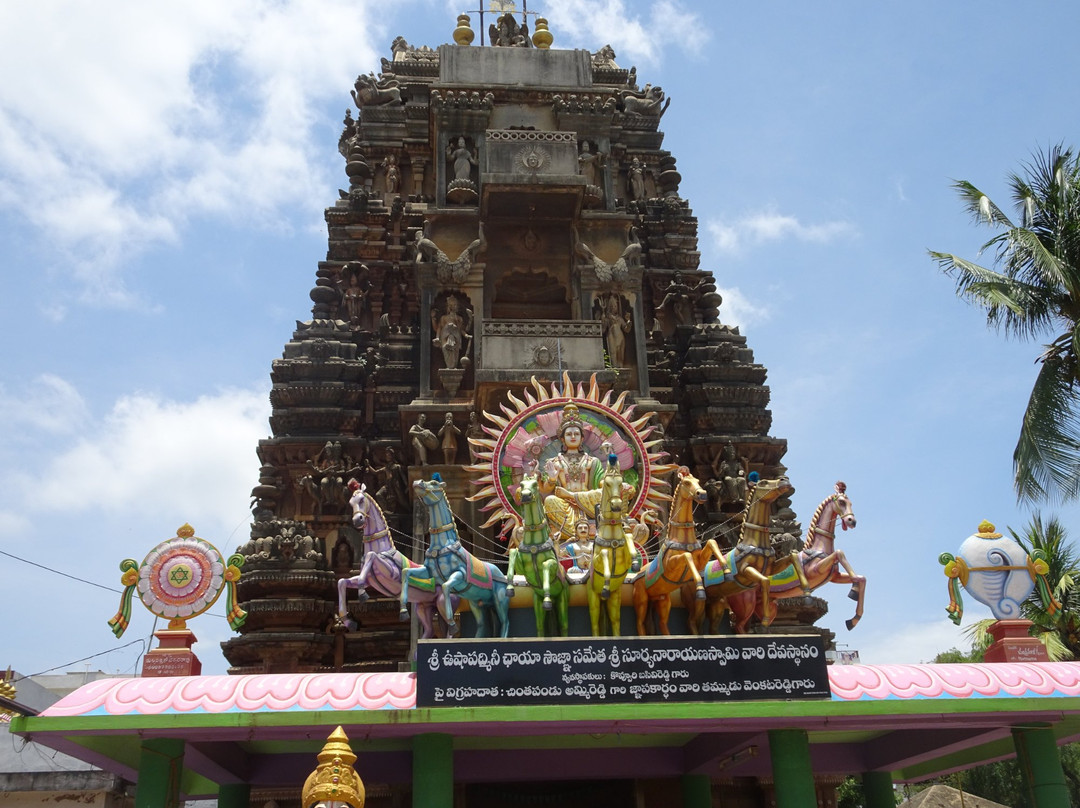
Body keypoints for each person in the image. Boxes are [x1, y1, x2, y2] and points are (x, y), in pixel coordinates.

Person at [542, 404, 606, 541]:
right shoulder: (554, 462)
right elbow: (546, 489)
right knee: (549, 500)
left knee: (605, 494)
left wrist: (611, 481)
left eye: (576, 434)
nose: (573, 437)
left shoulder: (592, 461)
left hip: (588, 505)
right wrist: (552, 479)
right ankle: (577, 535)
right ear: (562, 439)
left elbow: (602, 483)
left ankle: (574, 534)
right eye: (569, 434)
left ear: (582, 438)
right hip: (564, 507)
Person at [431, 295, 472, 369]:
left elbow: (461, 330)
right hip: (445, 335)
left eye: (454, 305)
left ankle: (453, 366)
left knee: (455, 351)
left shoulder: (459, 318)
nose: (452, 307)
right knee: (446, 350)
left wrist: (466, 335)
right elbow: (439, 328)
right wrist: (437, 338)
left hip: (456, 335)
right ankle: (449, 366)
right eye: (450, 305)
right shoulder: (443, 318)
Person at [599, 294, 632, 367]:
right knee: (612, 353)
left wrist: (628, 321)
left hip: (620, 337)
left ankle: (621, 367)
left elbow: (626, 329)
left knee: (620, 354)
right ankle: (614, 367)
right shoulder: (608, 319)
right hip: (611, 337)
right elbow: (603, 330)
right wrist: (603, 319)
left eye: (615, 306)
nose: (614, 308)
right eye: (612, 307)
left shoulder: (620, 319)